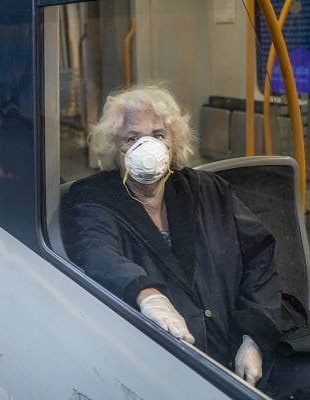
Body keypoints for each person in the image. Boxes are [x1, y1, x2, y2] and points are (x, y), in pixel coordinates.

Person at [61, 85, 310, 399]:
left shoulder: (207, 189)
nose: (147, 147)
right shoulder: (93, 199)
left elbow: (259, 256)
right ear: (114, 147)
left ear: (172, 142)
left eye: (158, 135)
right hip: (168, 368)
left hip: (240, 355)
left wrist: (255, 337)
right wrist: (146, 294)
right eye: (133, 138)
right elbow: (98, 252)